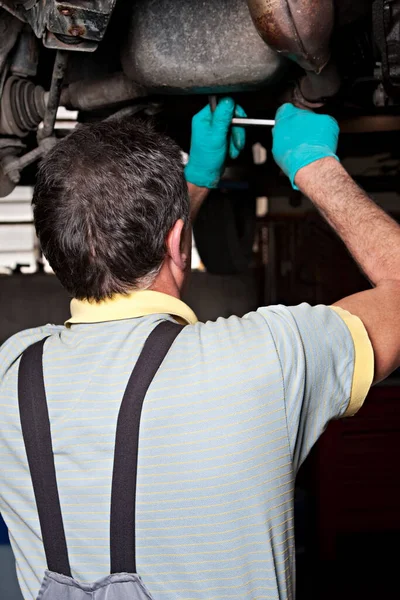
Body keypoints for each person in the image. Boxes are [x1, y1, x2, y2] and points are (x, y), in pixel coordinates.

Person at [0, 97, 399, 600]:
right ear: (178, 240)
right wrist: (317, 168)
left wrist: (199, 180)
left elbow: (141, 253)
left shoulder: (13, 372)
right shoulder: (267, 359)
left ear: (58, 252)